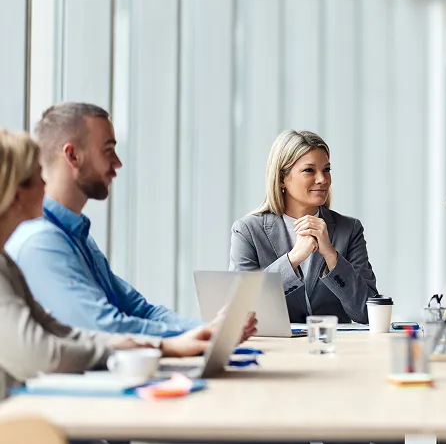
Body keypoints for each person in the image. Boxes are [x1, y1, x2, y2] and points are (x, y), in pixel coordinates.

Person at [0, 129, 216, 400]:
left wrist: (158, 344)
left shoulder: (6, 262)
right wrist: (121, 350)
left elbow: (57, 330)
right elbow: (41, 354)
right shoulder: (36, 244)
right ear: (14, 192)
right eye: (36, 178)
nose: (46, 186)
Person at [7, 103, 253, 338]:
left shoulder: (77, 235)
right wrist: (203, 334)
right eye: (108, 150)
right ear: (73, 155)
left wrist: (207, 329)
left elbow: (139, 310)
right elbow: (103, 327)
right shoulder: (41, 241)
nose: (117, 163)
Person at [230, 130, 378, 323]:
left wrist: (332, 256)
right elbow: (240, 310)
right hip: (275, 349)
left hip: (335, 349)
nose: (322, 179)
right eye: (309, 170)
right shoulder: (247, 231)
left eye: (326, 169)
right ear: (282, 178)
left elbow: (368, 312)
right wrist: (293, 258)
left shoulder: (349, 229)